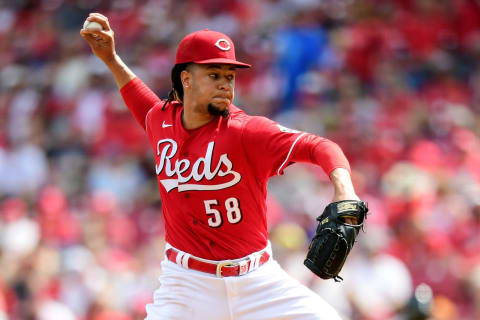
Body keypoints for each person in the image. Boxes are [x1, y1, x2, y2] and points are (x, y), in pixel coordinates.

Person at [80, 12, 361, 320]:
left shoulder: (248, 131)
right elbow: (136, 94)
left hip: (258, 281)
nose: (226, 84)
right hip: (186, 286)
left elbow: (321, 146)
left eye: (230, 76)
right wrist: (110, 58)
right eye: (214, 75)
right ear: (186, 79)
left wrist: (344, 190)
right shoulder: (160, 120)